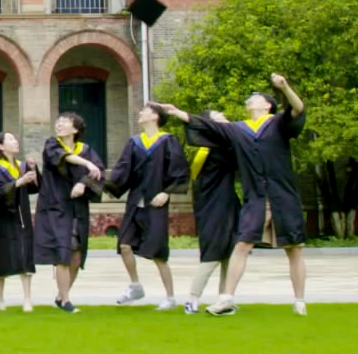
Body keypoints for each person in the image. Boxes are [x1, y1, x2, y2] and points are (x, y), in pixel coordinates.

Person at [159, 73, 308, 317]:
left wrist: (284, 87)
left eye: (255, 97)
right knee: (241, 245)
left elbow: (298, 109)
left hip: (283, 196)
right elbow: (207, 125)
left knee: (294, 249)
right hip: (256, 198)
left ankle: (299, 300)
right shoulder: (239, 130)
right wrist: (177, 113)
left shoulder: (278, 124)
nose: (250, 100)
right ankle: (226, 298)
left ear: (267, 106)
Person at [105, 103, 189, 311]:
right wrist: (101, 183)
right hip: (136, 201)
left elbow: (179, 171)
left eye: (145, 111)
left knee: (158, 253)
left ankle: (170, 298)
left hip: (156, 203)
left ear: (155, 117)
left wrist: (166, 192)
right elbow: (123, 170)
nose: (140, 113)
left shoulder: (168, 141)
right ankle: (135, 286)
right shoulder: (134, 142)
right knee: (125, 244)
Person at [33, 112, 104, 314]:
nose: (59, 124)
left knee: (76, 256)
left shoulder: (86, 150)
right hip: (55, 206)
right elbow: (62, 158)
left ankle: (60, 296)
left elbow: (99, 173)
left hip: (77, 209)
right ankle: (66, 300)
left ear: (75, 129)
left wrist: (83, 183)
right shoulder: (51, 145)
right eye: (58, 122)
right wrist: (86, 164)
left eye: (65, 122)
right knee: (62, 253)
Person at [180, 110, 240, 314]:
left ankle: (224, 299)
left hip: (225, 204)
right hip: (215, 208)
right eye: (218, 117)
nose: (224, 117)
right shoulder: (212, 151)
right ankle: (192, 299)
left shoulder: (212, 148)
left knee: (229, 255)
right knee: (213, 255)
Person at [0, 132, 37, 313]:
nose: (15, 141)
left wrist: (33, 170)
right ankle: (0, 299)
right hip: (2, 217)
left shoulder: (21, 166)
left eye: (15, 139)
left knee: (25, 256)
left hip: (21, 216)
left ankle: (27, 298)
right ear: (0, 146)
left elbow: (33, 188)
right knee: (0, 256)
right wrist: (18, 182)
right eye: (10, 139)